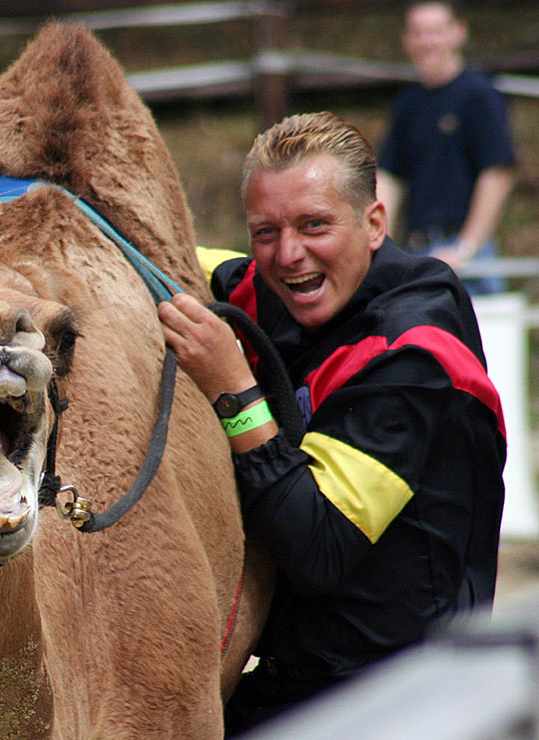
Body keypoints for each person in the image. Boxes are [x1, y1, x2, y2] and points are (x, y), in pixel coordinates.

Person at [158, 111, 505, 734]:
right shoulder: (278, 288)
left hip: (404, 693)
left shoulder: (417, 352)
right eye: (265, 231)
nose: (288, 255)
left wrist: (233, 389)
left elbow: (318, 548)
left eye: (314, 225)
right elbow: (174, 259)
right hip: (301, 672)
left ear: (374, 223)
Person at [377, 0, 516, 295]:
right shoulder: (407, 101)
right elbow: (389, 175)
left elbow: (497, 173)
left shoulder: (479, 95)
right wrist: (379, 245)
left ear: (458, 33)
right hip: (414, 252)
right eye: (417, 33)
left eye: (436, 31)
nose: (426, 42)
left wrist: (466, 248)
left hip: (465, 259)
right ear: (406, 39)